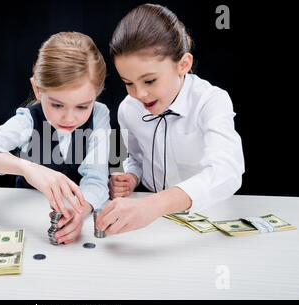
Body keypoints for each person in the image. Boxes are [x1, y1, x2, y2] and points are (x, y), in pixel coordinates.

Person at [96, 4, 244, 234]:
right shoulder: (128, 108)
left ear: (183, 65)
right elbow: (131, 157)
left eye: (149, 81)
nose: (139, 94)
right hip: (148, 223)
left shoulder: (212, 101)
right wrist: (129, 176)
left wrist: (154, 205)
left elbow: (227, 173)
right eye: (128, 83)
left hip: (207, 217)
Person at [0, 32, 110, 244]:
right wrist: (27, 168)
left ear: (96, 95)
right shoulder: (28, 120)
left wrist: (80, 211)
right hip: (27, 224)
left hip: (75, 223)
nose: (69, 117)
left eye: (82, 106)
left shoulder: (99, 114)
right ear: (38, 90)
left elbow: (96, 179)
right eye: (57, 105)